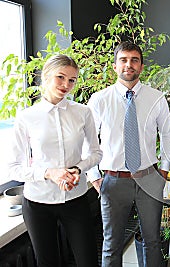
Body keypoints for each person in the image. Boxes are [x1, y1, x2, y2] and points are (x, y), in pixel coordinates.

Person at [7, 54, 102, 267]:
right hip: (38, 202)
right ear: (46, 76)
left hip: (75, 199)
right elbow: (14, 168)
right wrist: (49, 173)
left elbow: (96, 153)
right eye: (60, 77)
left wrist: (77, 169)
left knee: (88, 260)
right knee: (47, 263)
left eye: (72, 80)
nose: (66, 85)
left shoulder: (83, 112)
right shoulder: (26, 117)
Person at [87, 41, 170, 267]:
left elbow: (166, 134)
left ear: (141, 66)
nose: (129, 65)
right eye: (123, 60)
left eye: (134, 60)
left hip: (149, 178)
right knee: (111, 244)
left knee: (153, 241)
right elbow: (87, 140)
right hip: (113, 180)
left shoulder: (156, 98)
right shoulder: (99, 100)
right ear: (115, 66)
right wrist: (94, 176)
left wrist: (163, 170)